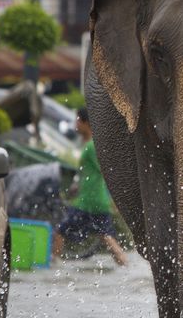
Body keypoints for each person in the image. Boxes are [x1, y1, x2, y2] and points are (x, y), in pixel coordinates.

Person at [54, 109, 128, 267]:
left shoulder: (92, 146)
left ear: (86, 123)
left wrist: (116, 196)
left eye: (77, 121)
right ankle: (126, 267)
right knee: (106, 236)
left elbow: (105, 171)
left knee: (60, 231)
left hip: (89, 201)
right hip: (95, 199)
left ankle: (54, 268)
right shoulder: (91, 144)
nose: (75, 124)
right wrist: (77, 185)